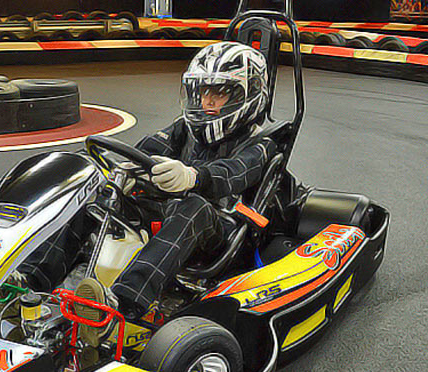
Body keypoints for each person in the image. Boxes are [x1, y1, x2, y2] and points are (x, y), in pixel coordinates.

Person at [18, 41, 278, 339]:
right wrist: (125, 170)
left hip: (221, 230)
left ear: (248, 96)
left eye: (219, 93)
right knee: (99, 199)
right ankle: (30, 281)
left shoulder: (261, 144)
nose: (207, 101)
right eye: (203, 92)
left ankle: (122, 303)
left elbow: (234, 173)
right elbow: (151, 147)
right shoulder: (187, 129)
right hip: (170, 213)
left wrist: (194, 176)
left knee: (193, 206)